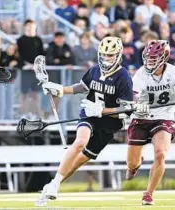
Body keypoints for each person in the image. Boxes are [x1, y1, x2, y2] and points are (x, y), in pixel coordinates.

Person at [36, 36, 134, 206]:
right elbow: (82, 87)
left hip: (110, 124)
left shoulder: (123, 76)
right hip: (89, 113)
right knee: (80, 142)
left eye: (110, 55)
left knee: (78, 161)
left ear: (118, 55)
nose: (106, 58)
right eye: (103, 54)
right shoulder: (95, 70)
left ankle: (52, 184)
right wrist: (59, 89)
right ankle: (55, 185)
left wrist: (102, 111)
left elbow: (127, 109)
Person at [126, 40, 174, 205]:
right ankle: (135, 166)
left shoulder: (173, 73)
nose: (149, 62)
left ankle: (149, 193)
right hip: (141, 118)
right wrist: (137, 105)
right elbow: (134, 94)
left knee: (161, 153)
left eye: (154, 58)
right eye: (148, 58)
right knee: (132, 162)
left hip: (163, 117)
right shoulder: (141, 73)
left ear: (164, 57)